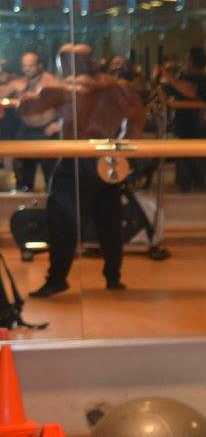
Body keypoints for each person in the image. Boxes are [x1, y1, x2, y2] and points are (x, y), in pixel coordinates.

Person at [22, 44, 144, 297]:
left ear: (67, 63)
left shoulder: (66, 90)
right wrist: (122, 150)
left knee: (64, 222)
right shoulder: (117, 88)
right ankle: (113, 277)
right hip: (105, 160)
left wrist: (29, 100)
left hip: (77, 160)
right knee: (109, 221)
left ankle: (58, 279)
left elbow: (29, 113)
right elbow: (138, 118)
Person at [158, 47, 206, 193]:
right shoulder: (196, 79)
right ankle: (191, 188)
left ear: (191, 61)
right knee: (188, 166)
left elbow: (193, 92)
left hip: (195, 127)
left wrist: (169, 78)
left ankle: (192, 189)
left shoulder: (202, 82)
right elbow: (165, 95)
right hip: (190, 127)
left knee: (193, 166)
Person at [5, 51, 60, 191]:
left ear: (39, 65)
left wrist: (59, 124)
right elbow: (2, 92)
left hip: (46, 130)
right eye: (24, 66)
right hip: (26, 130)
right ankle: (24, 195)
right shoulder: (19, 83)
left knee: (51, 173)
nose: (27, 69)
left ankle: (52, 198)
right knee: (22, 169)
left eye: (31, 65)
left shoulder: (51, 83)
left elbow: (70, 105)